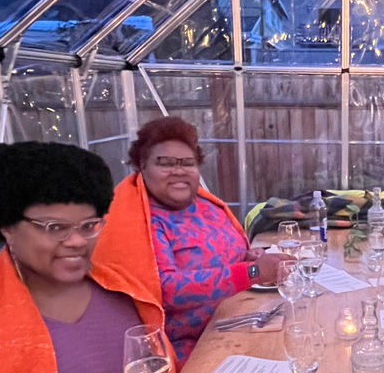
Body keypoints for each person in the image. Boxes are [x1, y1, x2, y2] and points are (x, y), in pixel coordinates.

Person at [0, 142, 172, 373]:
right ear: (7, 227)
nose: (77, 241)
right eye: (55, 227)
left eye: (88, 225)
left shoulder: (125, 290)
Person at [94, 117, 292, 369]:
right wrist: (252, 271)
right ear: (142, 166)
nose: (179, 170)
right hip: (192, 345)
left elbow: (228, 255)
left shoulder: (206, 205)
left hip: (237, 319)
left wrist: (247, 256)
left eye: (188, 163)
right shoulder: (139, 220)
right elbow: (164, 289)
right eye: (165, 163)